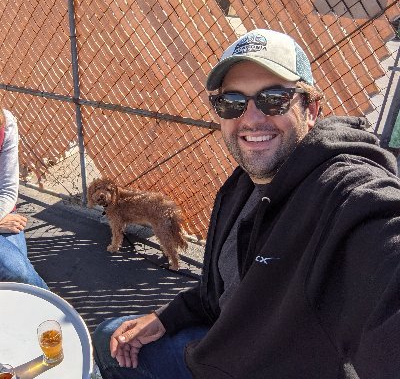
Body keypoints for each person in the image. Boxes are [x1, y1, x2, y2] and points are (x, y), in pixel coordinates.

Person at [93, 29, 400, 378]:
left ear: (311, 109)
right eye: (232, 102)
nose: (251, 118)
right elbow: (223, 292)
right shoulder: (242, 186)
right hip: (224, 346)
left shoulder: (345, 195)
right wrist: (168, 317)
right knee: (110, 336)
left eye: (274, 99)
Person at [0, 108, 48, 289]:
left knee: (20, 271)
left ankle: (54, 313)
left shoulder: (6, 122)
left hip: (3, 212)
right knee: (17, 270)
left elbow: (7, 189)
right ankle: (57, 312)